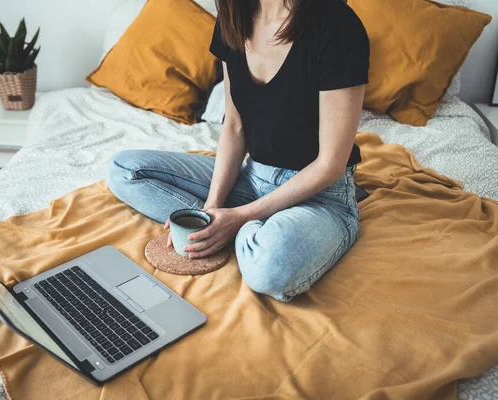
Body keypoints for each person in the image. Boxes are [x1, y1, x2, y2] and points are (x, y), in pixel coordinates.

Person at [106, 0, 370, 302]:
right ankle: (224, 227)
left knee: (270, 270)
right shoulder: (235, 18)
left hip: (319, 197)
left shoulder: (337, 25)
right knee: (124, 169)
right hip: (251, 178)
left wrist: (239, 218)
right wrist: (211, 206)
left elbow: (330, 165)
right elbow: (234, 126)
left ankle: (237, 229)